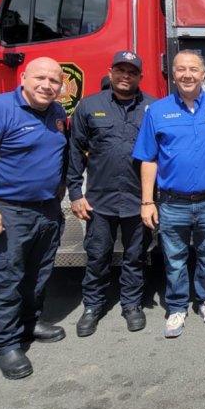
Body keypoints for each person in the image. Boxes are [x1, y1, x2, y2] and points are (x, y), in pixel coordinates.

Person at [0, 57, 69, 380]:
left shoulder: (57, 114)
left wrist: (59, 186)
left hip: (46, 210)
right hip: (7, 211)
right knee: (5, 279)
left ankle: (30, 324)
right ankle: (5, 344)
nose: (47, 85)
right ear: (23, 77)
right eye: (40, 78)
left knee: (38, 274)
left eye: (54, 81)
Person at [133, 50, 205, 339]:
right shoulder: (158, 111)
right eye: (181, 69)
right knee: (174, 258)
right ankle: (176, 307)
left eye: (193, 69)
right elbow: (148, 158)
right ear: (172, 75)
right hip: (172, 202)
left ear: (203, 75)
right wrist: (147, 201)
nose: (187, 74)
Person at [67, 50, 155, 337]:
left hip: (138, 200)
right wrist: (74, 193)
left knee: (135, 257)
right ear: (110, 72)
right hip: (99, 201)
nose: (125, 76)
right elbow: (75, 151)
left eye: (132, 72)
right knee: (97, 256)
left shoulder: (152, 108)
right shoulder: (89, 106)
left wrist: (154, 200)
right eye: (120, 70)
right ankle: (92, 306)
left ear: (140, 77)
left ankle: (131, 305)